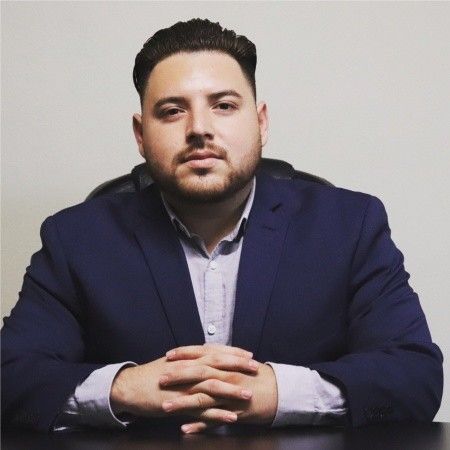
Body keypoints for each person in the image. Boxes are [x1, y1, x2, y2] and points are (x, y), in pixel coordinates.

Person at [1, 18, 443, 434]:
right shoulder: (76, 240)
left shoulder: (349, 226)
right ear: (140, 134)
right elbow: (10, 374)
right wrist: (121, 389)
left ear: (261, 121)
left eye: (224, 105)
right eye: (172, 111)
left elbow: (415, 376)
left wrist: (280, 393)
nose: (199, 129)